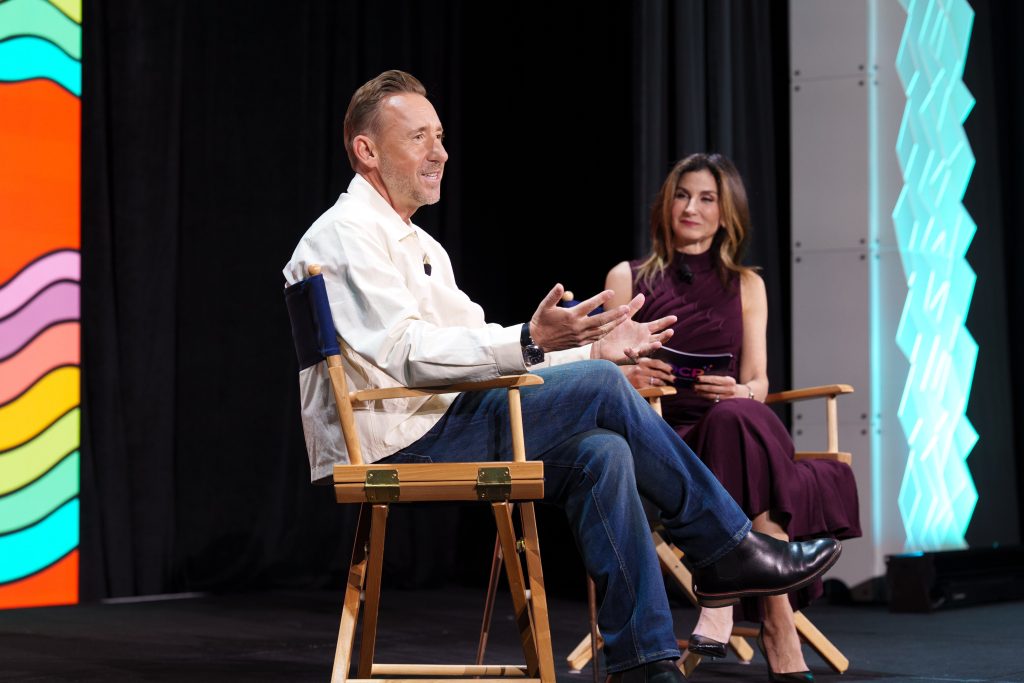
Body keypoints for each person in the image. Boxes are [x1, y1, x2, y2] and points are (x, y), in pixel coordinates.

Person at [284, 72, 841, 683]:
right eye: (419, 138)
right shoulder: (347, 234)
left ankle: (645, 660)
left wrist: (592, 348)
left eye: (439, 136)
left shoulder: (420, 244)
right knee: (603, 389)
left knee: (603, 452)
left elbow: (479, 346)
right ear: (367, 151)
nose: (440, 152)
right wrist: (535, 341)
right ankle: (724, 549)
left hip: (438, 417)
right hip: (396, 437)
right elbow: (409, 353)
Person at [605, 153, 861, 681]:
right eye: (682, 195)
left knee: (738, 414)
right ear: (666, 204)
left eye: (706, 199)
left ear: (726, 214)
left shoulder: (747, 285)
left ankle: (721, 595)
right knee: (738, 426)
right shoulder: (627, 277)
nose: (691, 208)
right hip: (666, 439)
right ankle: (778, 628)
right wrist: (632, 374)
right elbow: (601, 369)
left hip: (734, 432)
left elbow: (759, 380)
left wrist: (741, 390)